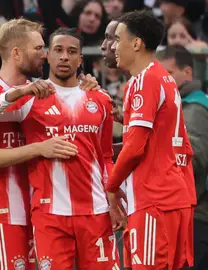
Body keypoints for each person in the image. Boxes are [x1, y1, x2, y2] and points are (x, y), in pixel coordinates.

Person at [0, 27, 121, 270]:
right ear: (48, 56)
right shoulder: (32, 98)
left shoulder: (100, 99)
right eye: (58, 50)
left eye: (72, 52)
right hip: (49, 216)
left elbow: (104, 156)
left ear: (80, 60)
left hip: (96, 213)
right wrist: (20, 91)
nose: (64, 57)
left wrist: (114, 199)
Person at [0, 19, 81, 270]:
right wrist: (40, 148)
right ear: (16, 53)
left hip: (36, 212)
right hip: (1, 214)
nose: (45, 54)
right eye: (38, 48)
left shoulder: (38, 91)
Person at [106, 10, 195, 269]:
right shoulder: (163, 78)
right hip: (173, 196)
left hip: (155, 199)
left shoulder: (143, 81)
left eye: (117, 38)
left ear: (136, 43)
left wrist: (112, 187)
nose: (113, 45)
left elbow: (135, 148)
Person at [158, 45, 208, 270]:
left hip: (196, 213)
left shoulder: (195, 108)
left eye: (169, 73)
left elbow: (195, 159)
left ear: (188, 73)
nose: (163, 81)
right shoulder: (181, 106)